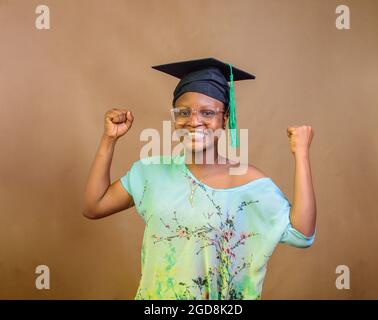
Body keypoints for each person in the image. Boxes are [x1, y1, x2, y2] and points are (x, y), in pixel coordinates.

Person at [82, 58, 317, 300]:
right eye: (184, 112)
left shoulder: (247, 183)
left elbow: (302, 234)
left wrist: (301, 154)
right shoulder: (150, 172)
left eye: (207, 113)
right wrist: (109, 139)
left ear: (224, 120)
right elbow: (94, 205)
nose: (194, 121)